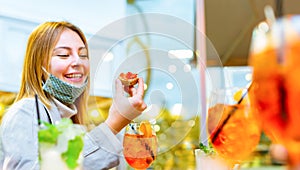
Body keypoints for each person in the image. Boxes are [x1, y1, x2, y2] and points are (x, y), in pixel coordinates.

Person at [0, 21, 147, 169]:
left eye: (83, 55)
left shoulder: (67, 116)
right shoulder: (27, 110)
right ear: (38, 64)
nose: (78, 61)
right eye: (63, 55)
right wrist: (113, 124)